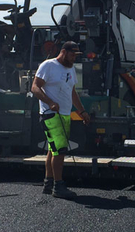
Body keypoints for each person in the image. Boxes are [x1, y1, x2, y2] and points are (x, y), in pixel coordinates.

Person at [31, 41, 91, 199]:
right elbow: (35, 87)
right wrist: (50, 102)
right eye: (72, 54)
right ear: (63, 52)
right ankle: (58, 186)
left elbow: (72, 92)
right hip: (51, 114)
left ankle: (48, 183)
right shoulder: (48, 65)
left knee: (53, 149)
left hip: (64, 114)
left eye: (76, 55)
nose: (74, 58)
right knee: (60, 150)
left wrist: (82, 111)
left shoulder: (71, 68)